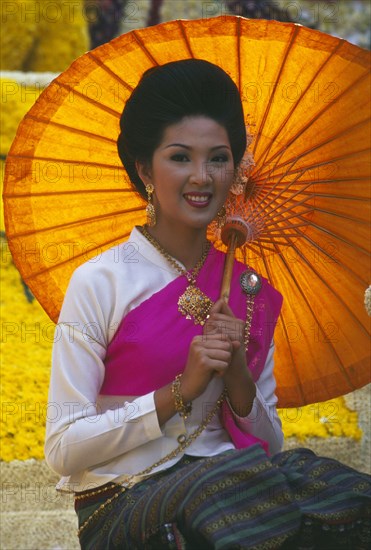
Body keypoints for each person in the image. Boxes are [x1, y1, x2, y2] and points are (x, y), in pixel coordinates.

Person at [45, 59, 370, 549]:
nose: (202, 177)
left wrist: (237, 374)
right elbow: (63, 449)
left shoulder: (247, 290)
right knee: (226, 493)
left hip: (234, 483)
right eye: (180, 157)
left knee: (338, 490)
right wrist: (181, 390)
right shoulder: (100, 282)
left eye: (218, 159)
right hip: (123, 499)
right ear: (143, 169)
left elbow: (270, 441)